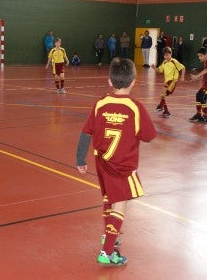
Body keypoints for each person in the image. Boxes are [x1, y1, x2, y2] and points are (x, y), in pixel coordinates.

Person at [76, 58, 157, 266]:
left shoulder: (101, 103)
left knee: (108, 198)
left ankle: (108, 235)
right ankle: (107, 252)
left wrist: (79, 159)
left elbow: (86, 132)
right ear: (133, 82)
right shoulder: (135, 107)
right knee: (120, 205)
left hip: (101, 163)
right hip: (122, 167)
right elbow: (149, 136)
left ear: (110, 82)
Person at [151, 47, 185, 118]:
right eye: (165, 55)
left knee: (163, 94)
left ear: (171, 54)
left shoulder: (174, 61)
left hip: (172, 81)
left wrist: (182, 77)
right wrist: (155, 68)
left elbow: (183, 67)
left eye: (167, 54)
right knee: (163, 95)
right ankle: (165, 111)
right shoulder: (164, 62)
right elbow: (160, 70)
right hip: (167, 81)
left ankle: (161, 107)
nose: (166, 56)